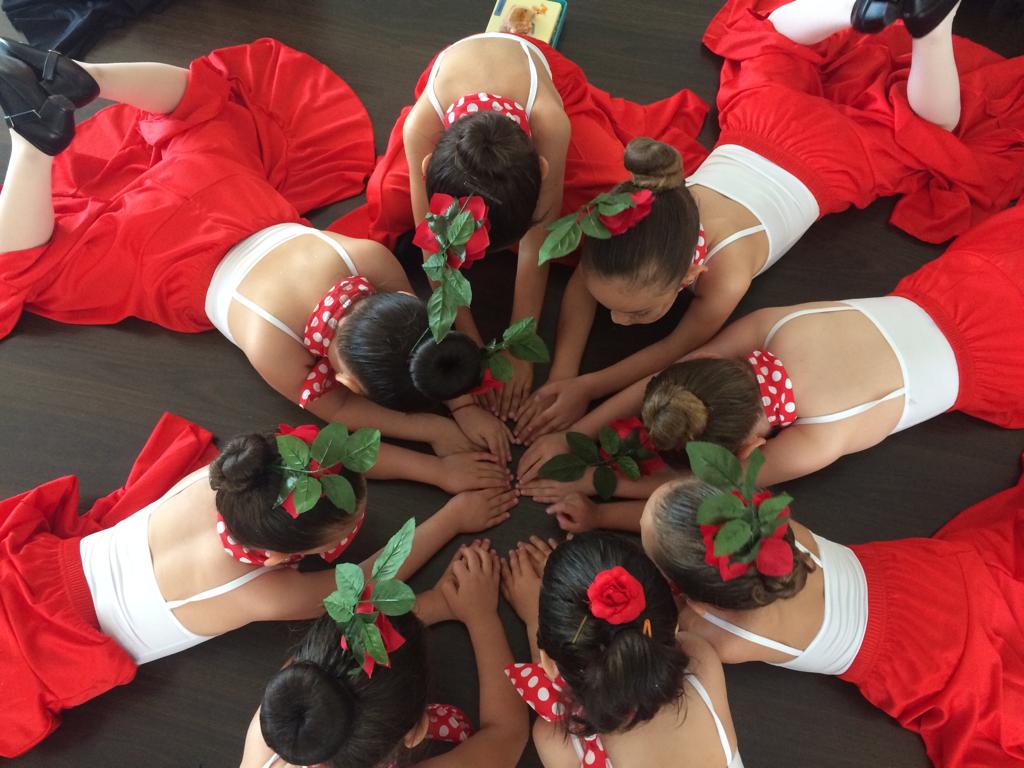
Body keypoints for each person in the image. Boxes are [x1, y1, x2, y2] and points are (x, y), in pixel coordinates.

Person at [0, 36, 515, 488]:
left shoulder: (367, 258)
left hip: (226, 190)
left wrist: (460, 409)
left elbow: (423, 338)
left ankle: (87, 78)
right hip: (162, 257)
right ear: (350, 379)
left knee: (207, 109)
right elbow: (338, 410)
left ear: (401, 301)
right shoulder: (274, 345)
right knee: (42, 268)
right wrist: (440, 425)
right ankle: (30, 145)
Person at [513, 0, 1024, 445]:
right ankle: (858, 10)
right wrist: (564, 371)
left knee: (931, 130)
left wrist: (587, 386)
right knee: (767, 40)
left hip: (824, 159)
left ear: (691, 277)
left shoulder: (727, 271)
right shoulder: (637, 222)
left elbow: (675, 350)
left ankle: (928, 27)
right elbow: (587, 281)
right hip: (765, 124)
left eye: (639, 313)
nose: (619, 322)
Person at [0, 414, 516, 758]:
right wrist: (452, 516)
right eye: (348, 530)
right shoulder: (257, 592)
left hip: (43, 572)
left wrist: (439, 470)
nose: (362, 519)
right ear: (278, 558)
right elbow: (366, 584)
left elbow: (340, 453)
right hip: (50, 642)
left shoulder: (243, 476)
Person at [328, 31, 710, 422]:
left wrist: (519, 341)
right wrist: (471, 344)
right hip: (454, 91)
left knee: (608, 196)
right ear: (428, 167)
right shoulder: (419, 130)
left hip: (539, 83)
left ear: (540, 169)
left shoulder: (551, 125)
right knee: (389, 199)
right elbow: (433, 246)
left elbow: (537, 238)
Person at [519, 200, 1024, 491]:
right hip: (968, 287)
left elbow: (720, 481)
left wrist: (592, 481)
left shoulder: (819, 436)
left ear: (753, 445)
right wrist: (574, 435)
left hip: (998, 353)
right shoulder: (773, 329)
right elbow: (667, 378)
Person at [641, 465, 1024, 767]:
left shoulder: (723, 637)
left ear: (701, 602)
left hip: (913, 659)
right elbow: (689, 536)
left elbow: (663, 623)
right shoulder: (769, 528)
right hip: (925, 580)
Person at [241, 540, 528, 768]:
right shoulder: (304, 684)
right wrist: (481, 616)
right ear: (414, 732)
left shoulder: (277, 725)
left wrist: (439, 603)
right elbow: (506, 735)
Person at [501, 533, 743, 767]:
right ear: (674, 627)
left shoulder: (557, 742)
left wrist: (536, 620)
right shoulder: (700, 658)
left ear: (549, 664)